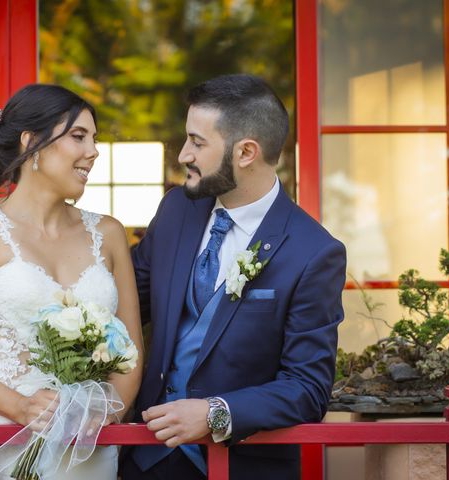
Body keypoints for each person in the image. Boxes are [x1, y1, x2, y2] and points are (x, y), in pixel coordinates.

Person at [0, 84, 143, 479]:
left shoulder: (110, 233)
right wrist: (20, 407)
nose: (94, 151)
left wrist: (102, 414)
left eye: (95, 139)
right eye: (78, 136)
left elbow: (130, 351)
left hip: (87, 448)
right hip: (1, 440)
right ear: (31, 141)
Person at [121, 74, 346, 480]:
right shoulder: (176, 210)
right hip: (144, 459)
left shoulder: (313, 252)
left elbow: (308, 388)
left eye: (198, 142)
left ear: (246, 152)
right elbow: (120, 300)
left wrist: (215, 413)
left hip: (242, 466)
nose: (184, 155)